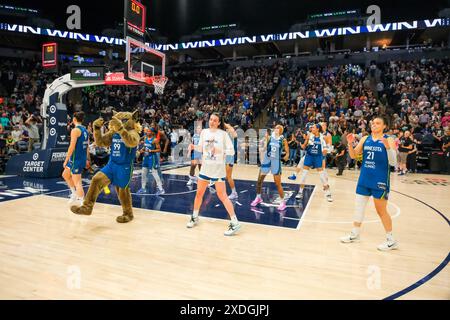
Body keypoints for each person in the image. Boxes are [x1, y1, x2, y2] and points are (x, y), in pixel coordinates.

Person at [341, 116, 399, 251]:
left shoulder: (388, 139)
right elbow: (354, 155)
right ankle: (355, 234)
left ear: (384, 126)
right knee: (358, 207)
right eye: (373, 123)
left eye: (378, 123)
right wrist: (350, 143)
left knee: (381, 210)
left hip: (380, 180)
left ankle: (391, 240)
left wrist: (388, 148)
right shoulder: (365, 139)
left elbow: (393, 163)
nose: (374, 125)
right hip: (364, 178)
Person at [186, 113, 241, 236]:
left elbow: (232, 151)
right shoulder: (204, 132)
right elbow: (201, 148)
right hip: (205, 169)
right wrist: (193, 146)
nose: (212, 122)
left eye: (215, 120)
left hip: (218, 170)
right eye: (210, 119)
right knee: (199, 194)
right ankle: (194, 217)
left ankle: (235, 222)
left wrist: (220, 151)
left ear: (219, 122)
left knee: (223, 196)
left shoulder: (223, 135)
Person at [251, 125, 290, 211]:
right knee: (259, 180)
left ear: (281, 131)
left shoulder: (283, 140)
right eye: (275, 128)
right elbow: (264, 147)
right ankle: (258, 197)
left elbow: (287, 152)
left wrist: (286, 156)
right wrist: (262, 146)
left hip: (276, 162)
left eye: (278, 128)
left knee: (277, 183)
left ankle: (283, 202)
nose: (276, 129)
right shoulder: (269, 137)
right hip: (266, 160)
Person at [291, 124, 333, 202]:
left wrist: (326, 150)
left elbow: (328, 146)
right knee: (304, 175)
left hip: (318, 157)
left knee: (322, 176)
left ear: (317, 129)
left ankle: (328, 193)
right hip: (309, 156)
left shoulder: (323, 137)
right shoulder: (309, 135)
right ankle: (300, 192)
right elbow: (304, 146)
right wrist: (302, 144)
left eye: (313, 127)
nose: (311, 128)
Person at [62, 112, 90, 206]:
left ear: (74, 119)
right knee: (65, 175)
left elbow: (71, 147)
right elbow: (87, 146)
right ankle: (74, 194)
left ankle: (82, 202)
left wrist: (66, 160)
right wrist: (87, 159)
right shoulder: (85, 130)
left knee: (77, 181)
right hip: (79, 158)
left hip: (76, 159)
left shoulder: (75, 130)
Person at [137, 127, 165, 195]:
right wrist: (142, 150)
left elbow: (159, 150)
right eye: (147, 131)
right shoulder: (145, 138)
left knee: (154, 173)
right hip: (145, 158)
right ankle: (143, 188)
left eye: (149, 131)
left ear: (152, 132)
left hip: (152, 158)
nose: (147, 132)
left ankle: (161, 189)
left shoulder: (155, 140)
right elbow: (145, 146)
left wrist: (151, 150)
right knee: (143, 173)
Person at [224, 123, 239, 200]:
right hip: (226, 156)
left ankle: (234, 193)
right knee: (226, 176)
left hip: (230, 157)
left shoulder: (233, 134)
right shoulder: (226, 135)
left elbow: (231, 129)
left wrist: (223, 122)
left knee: (229, 177)